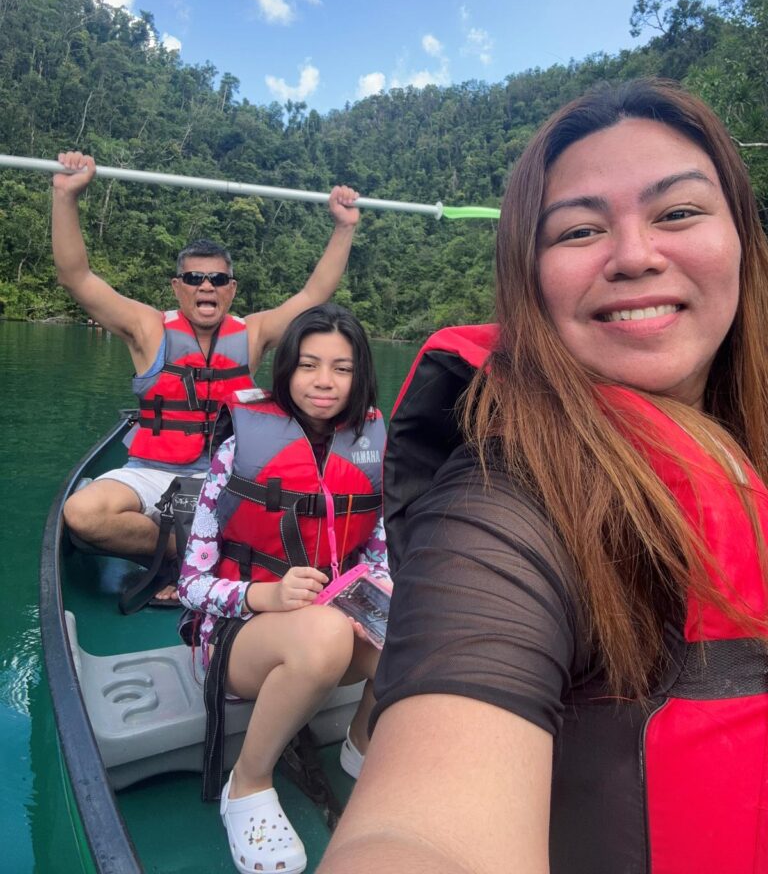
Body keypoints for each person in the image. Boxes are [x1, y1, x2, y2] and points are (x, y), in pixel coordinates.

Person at [318, 78, 768, 874]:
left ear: (743, 240)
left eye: (679, 213)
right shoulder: (501, 504)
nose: (634, 256)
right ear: (531, 279)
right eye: (579, 230)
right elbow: (419, 839)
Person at [52, 152, 360, 602]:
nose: (206, 286)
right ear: (178, 286)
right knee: (83, 514)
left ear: (231, 289)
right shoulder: (148, 328)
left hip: (227, 476)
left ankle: (210, 556)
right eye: (194, 277)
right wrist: (66, 196)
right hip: (153, 473)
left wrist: (344, 226)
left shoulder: (252, 334)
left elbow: (315, 294)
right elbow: (75, 276)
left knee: (298, 507)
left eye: (218, 279)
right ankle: (187, 554)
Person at [178, 303, 388, 874]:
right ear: (287, 369)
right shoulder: (234, 450)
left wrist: (377, 593)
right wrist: (261, 596)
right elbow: (190, 582)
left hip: (332, 626)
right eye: (309, 365)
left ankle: (362, 744)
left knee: (415, 624)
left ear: (359, 374)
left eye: (341, 369)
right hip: (238, 639)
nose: (324, 382)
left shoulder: (371, 447)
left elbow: (377, 552)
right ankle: (246, 784)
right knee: (320, 634)